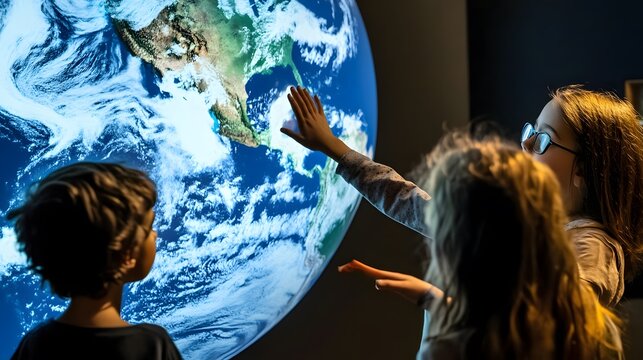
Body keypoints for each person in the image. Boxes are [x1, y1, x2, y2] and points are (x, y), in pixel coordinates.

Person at [282, 86, 643, 308]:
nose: (527, 143)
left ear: (585, 170)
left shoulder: (592, 245)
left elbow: (558, 320)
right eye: (530, 130)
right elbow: (413, 204)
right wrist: (333, 148)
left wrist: (441, 303)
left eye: (545, 138)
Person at [8, 162, 182, 360]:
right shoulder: (152, 345)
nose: (155, 234)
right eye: (149, 226)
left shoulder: (34, 346)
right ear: (125, 254)